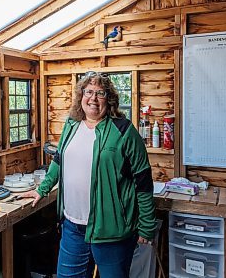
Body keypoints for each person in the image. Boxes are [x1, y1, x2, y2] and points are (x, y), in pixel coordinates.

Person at [20, 71, 156, 278]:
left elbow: (143, 180)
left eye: (100, 93)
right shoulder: (71, 125)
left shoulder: (124, 131)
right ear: (81, 95)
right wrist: (42, 189)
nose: (93, 98)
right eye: (89, 91)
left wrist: (147, 225)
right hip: (73, 226)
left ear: (109, 100)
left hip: (112, 230)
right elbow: (59, 160)